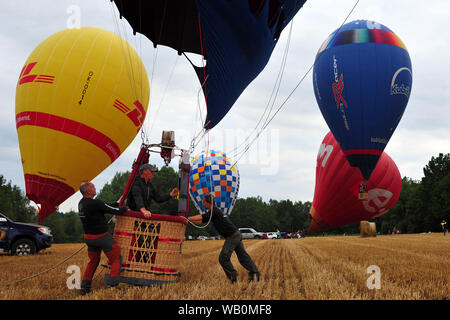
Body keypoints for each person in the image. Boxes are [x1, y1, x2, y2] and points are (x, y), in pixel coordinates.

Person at [188, 193, 260, 283]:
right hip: (236, 234)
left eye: (203, 201)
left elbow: (201, 217)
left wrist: (187, 218)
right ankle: (255, 273)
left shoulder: (214, 211)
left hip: (232, 236)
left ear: (207, 202)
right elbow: (201, 220)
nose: (202, 203)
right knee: (243, 257)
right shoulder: (213, 212)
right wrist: (188, 222)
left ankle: (233, 277)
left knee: (223, 258)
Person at [77, 181, 128, 295]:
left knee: (93, 261)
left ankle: (85, 288)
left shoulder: (81, 203)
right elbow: (115, 211)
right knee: (116, 258)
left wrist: (116, 203)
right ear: (88, 191)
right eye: (93, 187)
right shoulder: (95, 203)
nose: (95, 188)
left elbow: (105, 206)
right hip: (102, 237)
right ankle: (112, 285)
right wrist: (124, 208)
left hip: (89, 238)